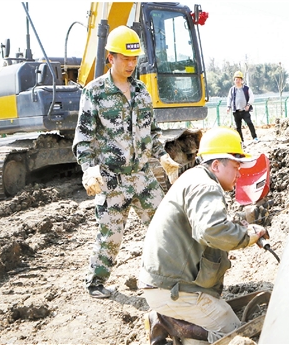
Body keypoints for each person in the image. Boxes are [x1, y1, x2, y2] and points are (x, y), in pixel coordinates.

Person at [72, 25, 178, 299]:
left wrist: (163, 155)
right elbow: (83, 139)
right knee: (110, 237)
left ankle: (173, 277)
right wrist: (89, 169)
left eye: (134, 59)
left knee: (166, 227)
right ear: (111, 57)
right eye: (125, 58)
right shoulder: (94, 92)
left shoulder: (142, 91)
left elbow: (152, 131)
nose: (131, 64)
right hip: (111, 179)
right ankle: (95, 282)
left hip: (143, 176)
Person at [138, 127, 269, 344]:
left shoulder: (196, 178)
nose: (239, 174)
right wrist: (246, 236)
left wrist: (237, 225)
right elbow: (211, 229)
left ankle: (168, 320)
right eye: (236, 167)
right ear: (216, 165)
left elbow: (204, 223)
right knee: (235, 334)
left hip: (165, 283)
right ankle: (166, 320)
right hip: (172, 288)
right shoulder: (206, 185)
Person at [226, 71, 258, 143]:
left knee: (249, 123)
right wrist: (228, 107)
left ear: (241, 80)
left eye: (239, 79)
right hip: (236, 111)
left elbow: (252, 97)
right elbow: (229, 98)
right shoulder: (232, 90)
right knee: (238, 127)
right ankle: (241, 140)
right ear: (234, 80)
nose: (237, 81)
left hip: (245, 111)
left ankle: (255, 137)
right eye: (236, 79)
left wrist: (248, 105)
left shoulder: (246, 88)